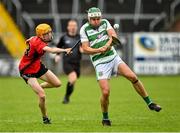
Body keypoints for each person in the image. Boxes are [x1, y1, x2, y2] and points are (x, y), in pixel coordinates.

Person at [80, 7, 162, 126]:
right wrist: (98, 49)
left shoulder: (105, 22)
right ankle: (105, 118)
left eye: (98, 18)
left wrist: (108, 45)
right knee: (106, 92)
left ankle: (150, 103)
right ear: (89, 18)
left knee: (133, 77)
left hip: (113, 58)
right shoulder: (84, 29)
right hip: (100, 62)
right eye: (94, 19)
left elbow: (114, 36)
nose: (96, 21)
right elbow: (85, 48)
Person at [19, 23, 71, 124]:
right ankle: (45, 118)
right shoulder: (38, 43)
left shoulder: (37, 38)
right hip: (27, 71)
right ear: (41, 36)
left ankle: (39, 87)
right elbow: (51, 50)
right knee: (42, 96)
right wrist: (64, 50)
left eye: (49, 32)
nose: (49, 35)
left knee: (57, 84)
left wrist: (30, 39)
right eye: (46, 34)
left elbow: (33, 38)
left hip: (37, 66)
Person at [55, 20, 82, 104]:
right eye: (71, 26)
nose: (73, 27)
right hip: (67, 62)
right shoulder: (64, 37)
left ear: (77, 27)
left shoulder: (80, 38)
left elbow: (83, 48)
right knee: (73, 78)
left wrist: (84, 50)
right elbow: (58, 47)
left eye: (74, 25)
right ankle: (66, 97)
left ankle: (67, 96)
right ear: (68, 27)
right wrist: (57, 55)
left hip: (77, 63)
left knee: (72, 81)